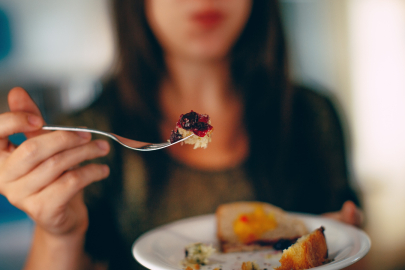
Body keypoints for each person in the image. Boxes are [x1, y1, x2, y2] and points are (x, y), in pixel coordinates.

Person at [0, 0, 363, 269]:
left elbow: (351, 251)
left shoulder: (313, 115)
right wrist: (60, 233)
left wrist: (338, 250)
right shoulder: (87, 138)